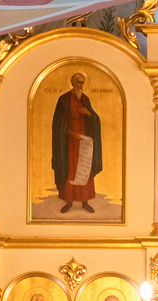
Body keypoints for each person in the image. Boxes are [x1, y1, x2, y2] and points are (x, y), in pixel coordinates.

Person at [50, 72, 105, 212]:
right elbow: (58, 124)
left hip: (84, 141)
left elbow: (95, 120)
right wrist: (71, 133)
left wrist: (88, 114)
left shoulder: (85, 99)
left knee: (84, 169)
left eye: (82, 82)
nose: (80, 85)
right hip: (69, 142)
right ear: (72, 83)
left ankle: (84, 201)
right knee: (71, 170)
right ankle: (69, 201)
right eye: (78, 82)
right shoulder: (63, 100)